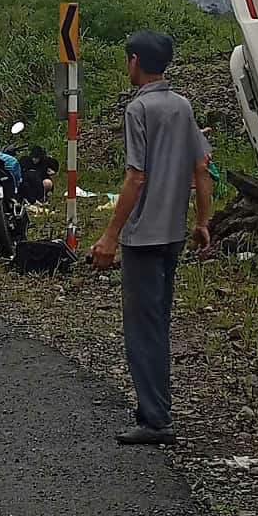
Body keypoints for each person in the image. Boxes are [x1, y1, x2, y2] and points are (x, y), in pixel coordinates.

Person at [91, 30, 213, 447]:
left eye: (128, 60)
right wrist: (203, 221)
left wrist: (110, 235)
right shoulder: (183, 106)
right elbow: (202, 168)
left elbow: (136, 176)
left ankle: (155, 418)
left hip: (143, 236)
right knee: (158, 321)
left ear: (136, 62)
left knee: (142, 328)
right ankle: (157, 407)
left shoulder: (138, 109)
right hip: (174, 233)